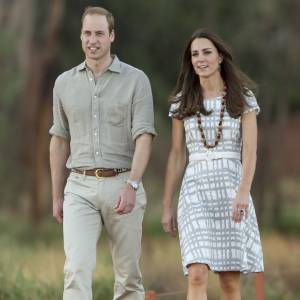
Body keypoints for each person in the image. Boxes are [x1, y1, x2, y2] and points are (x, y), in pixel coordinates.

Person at [49, 6, 156, 300]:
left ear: (111, 36)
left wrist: (133, 184)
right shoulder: (63, 83)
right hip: (79, 187)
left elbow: (144, 136)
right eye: (87, 33)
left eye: (99, 33)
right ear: (80, 36)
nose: (92, 40)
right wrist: (58, 194)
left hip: (122, 183)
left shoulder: (136, 80)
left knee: (129, 278)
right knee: (76, 270)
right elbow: (59, 139)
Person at [161, 28, 264, 300]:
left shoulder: (243, 99)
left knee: (230, 283)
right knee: (196, 273)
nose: (200, 59)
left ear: (220, 57)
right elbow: (176, 155)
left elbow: (250, 151)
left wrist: (243, 192)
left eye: (206, 52)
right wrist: (167, 205)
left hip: (231, 191)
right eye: (195, 54)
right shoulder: (182, 102)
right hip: (194, 192)